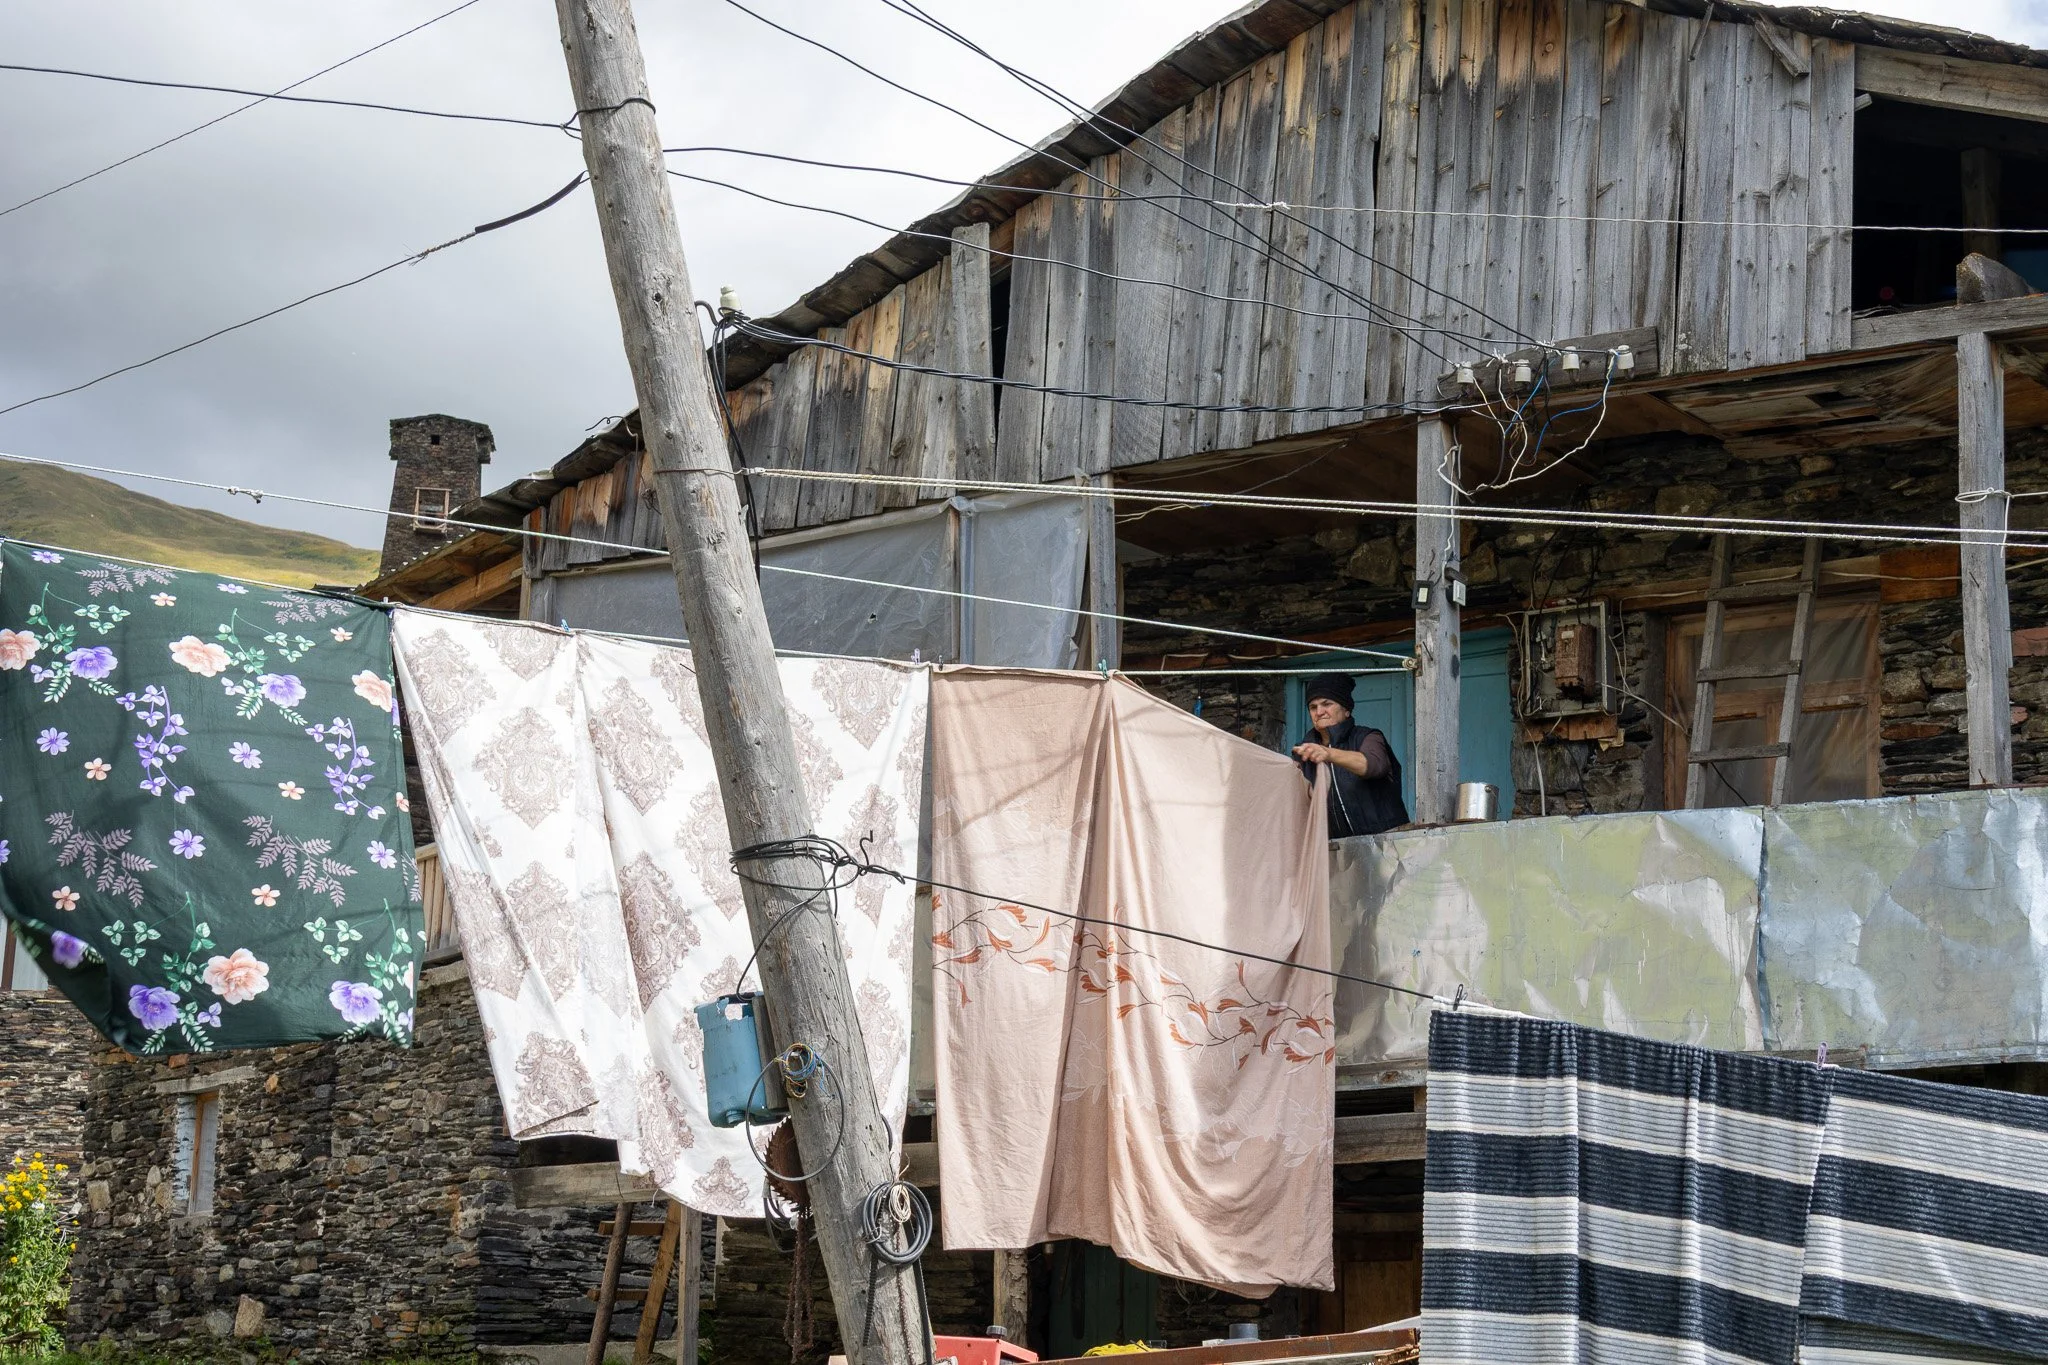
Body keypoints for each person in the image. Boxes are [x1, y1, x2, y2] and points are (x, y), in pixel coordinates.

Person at [1291, 672, 1409, 837]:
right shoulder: (1304, 752)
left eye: (1327, 704)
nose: (1319, 712)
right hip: (1337, 854)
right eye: (1313, 707)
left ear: (1346, 709)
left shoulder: (1368, 737)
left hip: (1389, 847)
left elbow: (1373, 765)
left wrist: (1328, 753)